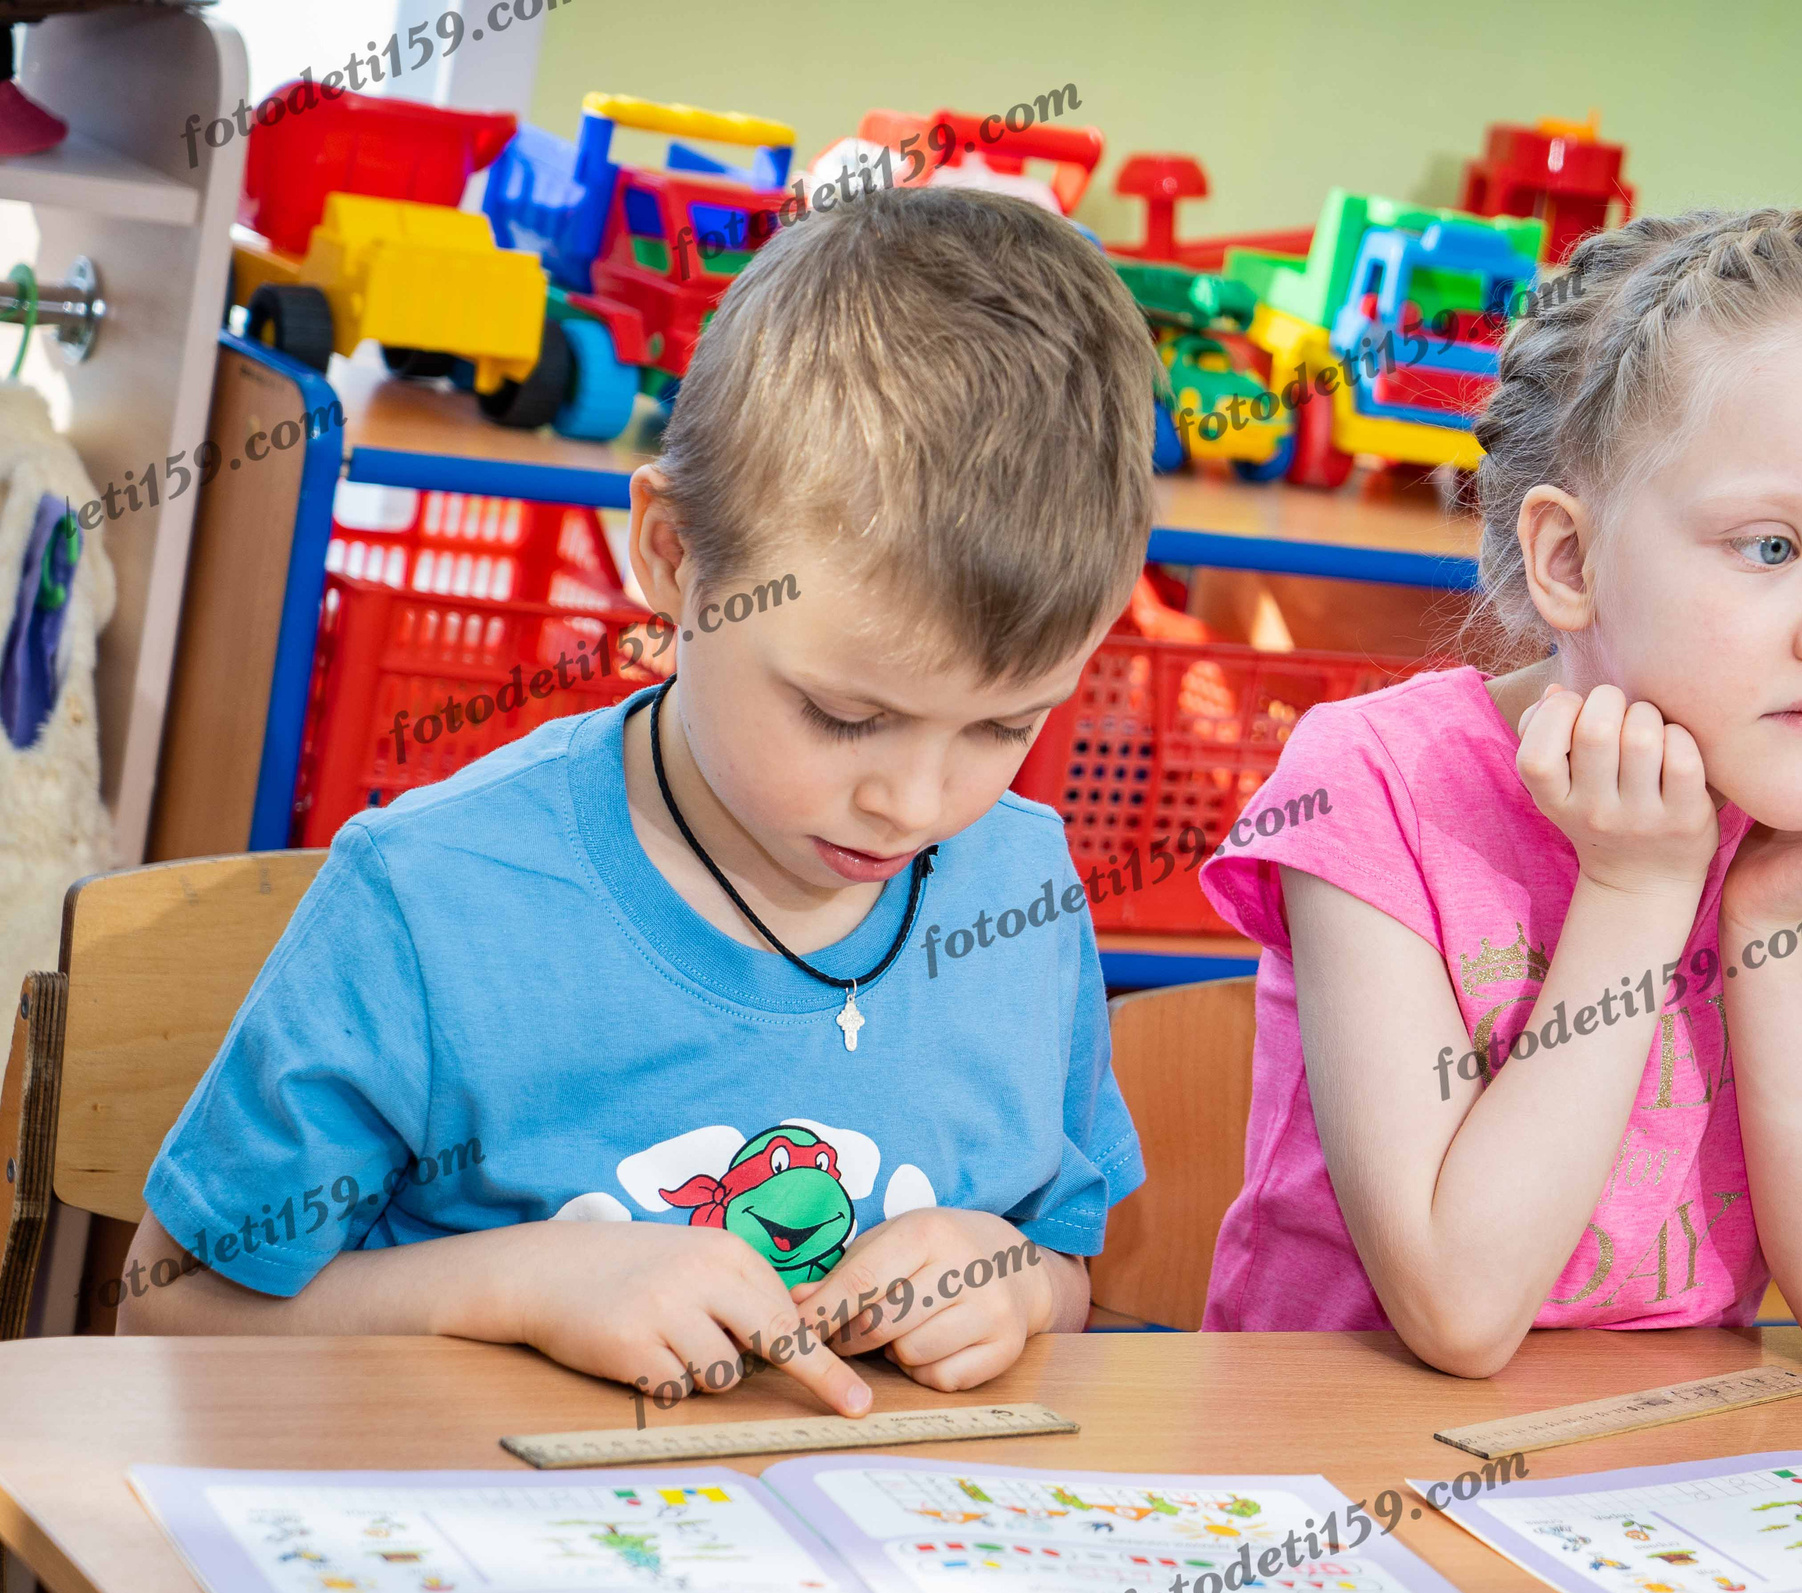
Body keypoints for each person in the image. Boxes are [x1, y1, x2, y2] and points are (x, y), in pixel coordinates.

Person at [119, 189, 1159, 1412]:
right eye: (844, 715)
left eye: (1004, 728)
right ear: (671, 560)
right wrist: (517, 1285)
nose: (914, 802)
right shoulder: (438, 898)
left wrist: (1018, 1284)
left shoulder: (1022, 888)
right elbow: (167, 1301)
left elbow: (1072, 1261)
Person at [1198, 207, 1802, 1377]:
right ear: (1569, 559)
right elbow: (1458, 1314)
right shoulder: (1373, 785)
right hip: (1336, 1464)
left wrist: (1771, 922)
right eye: (1771, 548)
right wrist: (1638, 891)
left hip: (1637, 1485)